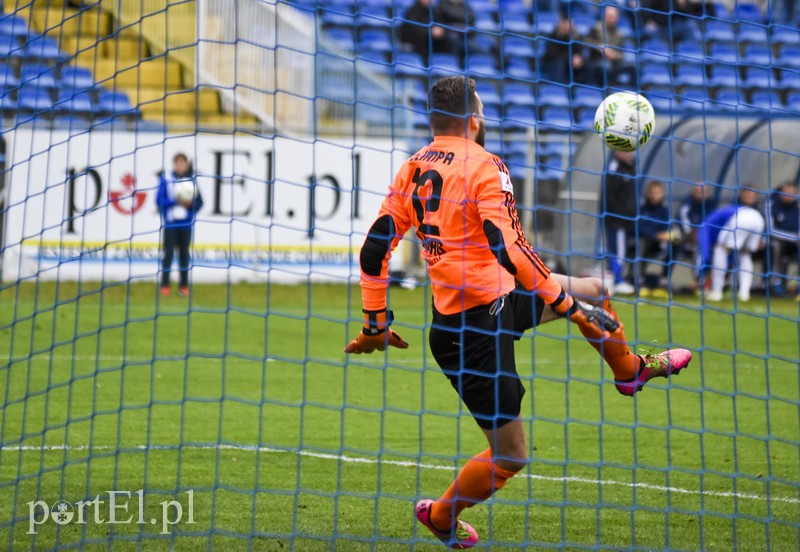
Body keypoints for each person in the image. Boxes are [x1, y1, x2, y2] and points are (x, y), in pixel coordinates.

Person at [344, 76, 691, 549]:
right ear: (473, 119)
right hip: (473, 334)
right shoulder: (486, 166)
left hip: (497, 300)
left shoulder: (412, 166)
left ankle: (629, 371)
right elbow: (508, 247)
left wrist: (374, 323)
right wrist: (562, 302)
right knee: (511, 456)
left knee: (596, 290)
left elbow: (374, 247)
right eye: (482, 110)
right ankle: (441, 516)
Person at [698, 188, 765, 303]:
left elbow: (704, 234)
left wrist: (707, 258)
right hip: (758, 219)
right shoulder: (755, 209)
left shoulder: (709, 220)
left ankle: (717, 291)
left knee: (721, 249)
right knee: (745, 254)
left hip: (742, 218)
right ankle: (744, 293)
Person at [157, 152, 203, 297]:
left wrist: (190, 206)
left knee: (184, 255)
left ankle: (183, 287)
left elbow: (200, 202)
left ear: (186, 165)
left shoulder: (191, 181)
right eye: (178, 164)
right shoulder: (167, 180)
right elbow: (159, 201)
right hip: (170, 224)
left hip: (186, 225)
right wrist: (175, 202)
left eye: (183, 164)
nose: (181, 166)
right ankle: (165, 286)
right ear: (174, 165)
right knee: (168, 254)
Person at [602, 149, 638, 295]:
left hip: (626, 219)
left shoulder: (630, 167)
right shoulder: (614, 167)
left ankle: (615, 280)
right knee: (618, 251)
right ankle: (617, 281)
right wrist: (619, 215)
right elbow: (609, 195)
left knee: (619, 250)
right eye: (624, 150)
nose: (627, 153)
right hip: (616, 220)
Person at [637, 180, 673, 298]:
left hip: (660, 243)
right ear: (648, 193)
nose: (655, 196)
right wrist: (655, 235)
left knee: (674, 245)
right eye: (653, 193)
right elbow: (639, 227)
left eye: (658, 193)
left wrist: (666, 235)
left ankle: (663, 282)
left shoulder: (664, 210)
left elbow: (667, 226)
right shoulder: (642, 209)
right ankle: (640, 282)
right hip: (646, 242)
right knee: (642, 244)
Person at [587, 5, 636, 87]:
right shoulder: (596, 28)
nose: (612, 19)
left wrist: (615, 55)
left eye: (614, 16)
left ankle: (632, 90)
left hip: (614, 63)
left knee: (632, 66)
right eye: (610, 16)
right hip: (597, 61)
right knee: (606, 66)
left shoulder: (619, 33)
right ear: (604, 16)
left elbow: (622, 54)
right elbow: (586, 41)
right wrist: (600, 47)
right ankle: (607, 90)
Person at [542, 14, 597, 84]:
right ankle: (561, 89)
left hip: (571, 63)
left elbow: (581, 51)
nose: (567, 26)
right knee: (559, 64)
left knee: (587, 65)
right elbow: (552, 54)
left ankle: (586, 90)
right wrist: (569, 59)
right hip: (553, 63)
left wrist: (580, 59)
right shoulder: (553, 36)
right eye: (565, 24)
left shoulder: (576, 37)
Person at [767, 182, 799, 297]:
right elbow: (770, 230)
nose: (789, 195)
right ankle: (775, 282)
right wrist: (793, 237)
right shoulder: (771, 205)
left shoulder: (797, 208)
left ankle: (797, 284)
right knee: (776, 245)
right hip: (774, 240)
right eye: (787, 192)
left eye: (792, 193)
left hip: (794, 242)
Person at [399, 0, 450, 65]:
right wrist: (429, 31)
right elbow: (411, 29)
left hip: (434, 40)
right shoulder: (413, 10)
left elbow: (440, 23)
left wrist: (440, 30)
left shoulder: (435, 10)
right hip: (415, 42)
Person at [677, 182, 716, 258]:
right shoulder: (687, 203)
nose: (700, 193)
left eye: (703, 191)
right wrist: (690, 231)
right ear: (693, 192)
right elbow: (681, 218)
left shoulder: (711, 204)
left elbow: (713, 220)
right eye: (698, 191)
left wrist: (702, 231)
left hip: (704, 233)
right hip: (687, 233)